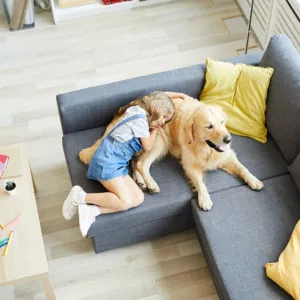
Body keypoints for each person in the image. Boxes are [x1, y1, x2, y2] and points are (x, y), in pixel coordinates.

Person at [62, 91, 185, 237]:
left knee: (138, 198)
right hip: (107, 161)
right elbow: (148, 146)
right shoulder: (140, 121)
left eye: (166, 120)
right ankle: (80, 197)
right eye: (164, 117)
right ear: (157, 108)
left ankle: (92, 211)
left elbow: (159, 95)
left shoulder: (139, 108)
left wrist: (179, 95)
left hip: (118, 163)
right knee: (124, 201)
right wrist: (155, 130)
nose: (163, 122)